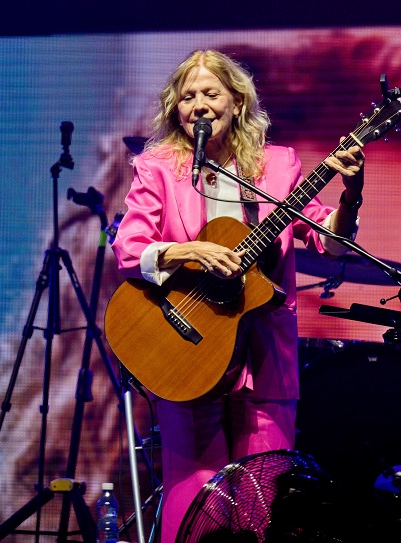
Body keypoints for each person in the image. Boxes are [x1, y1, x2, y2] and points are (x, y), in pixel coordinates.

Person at [110, 49, 365, 542]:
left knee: (263, 501)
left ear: (237, 101)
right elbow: (128, 250)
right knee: (192, 500)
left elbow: (328, 241)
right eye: (188, 97)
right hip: (185, 347)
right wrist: (190, 251)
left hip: (264, 350)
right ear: (175, 108)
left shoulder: (278, 165)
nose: (199, 105)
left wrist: (350, 196)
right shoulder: (159, 166)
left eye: (211, 93)